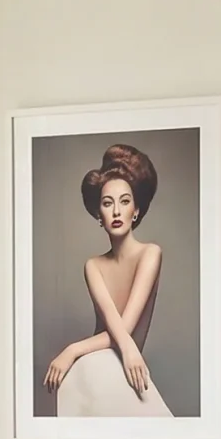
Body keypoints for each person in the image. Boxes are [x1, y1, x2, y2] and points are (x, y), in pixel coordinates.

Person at [44, 143, 172, 416]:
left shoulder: (150, 254)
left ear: (136, 210)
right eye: (107, 203)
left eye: (124, 201)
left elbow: (124, 331)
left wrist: (71, 350)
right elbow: (118, 331)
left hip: (120, 367)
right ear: (98, 215)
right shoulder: (94, 266)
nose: (116, 211)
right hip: (95, 367)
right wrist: (75, 354)